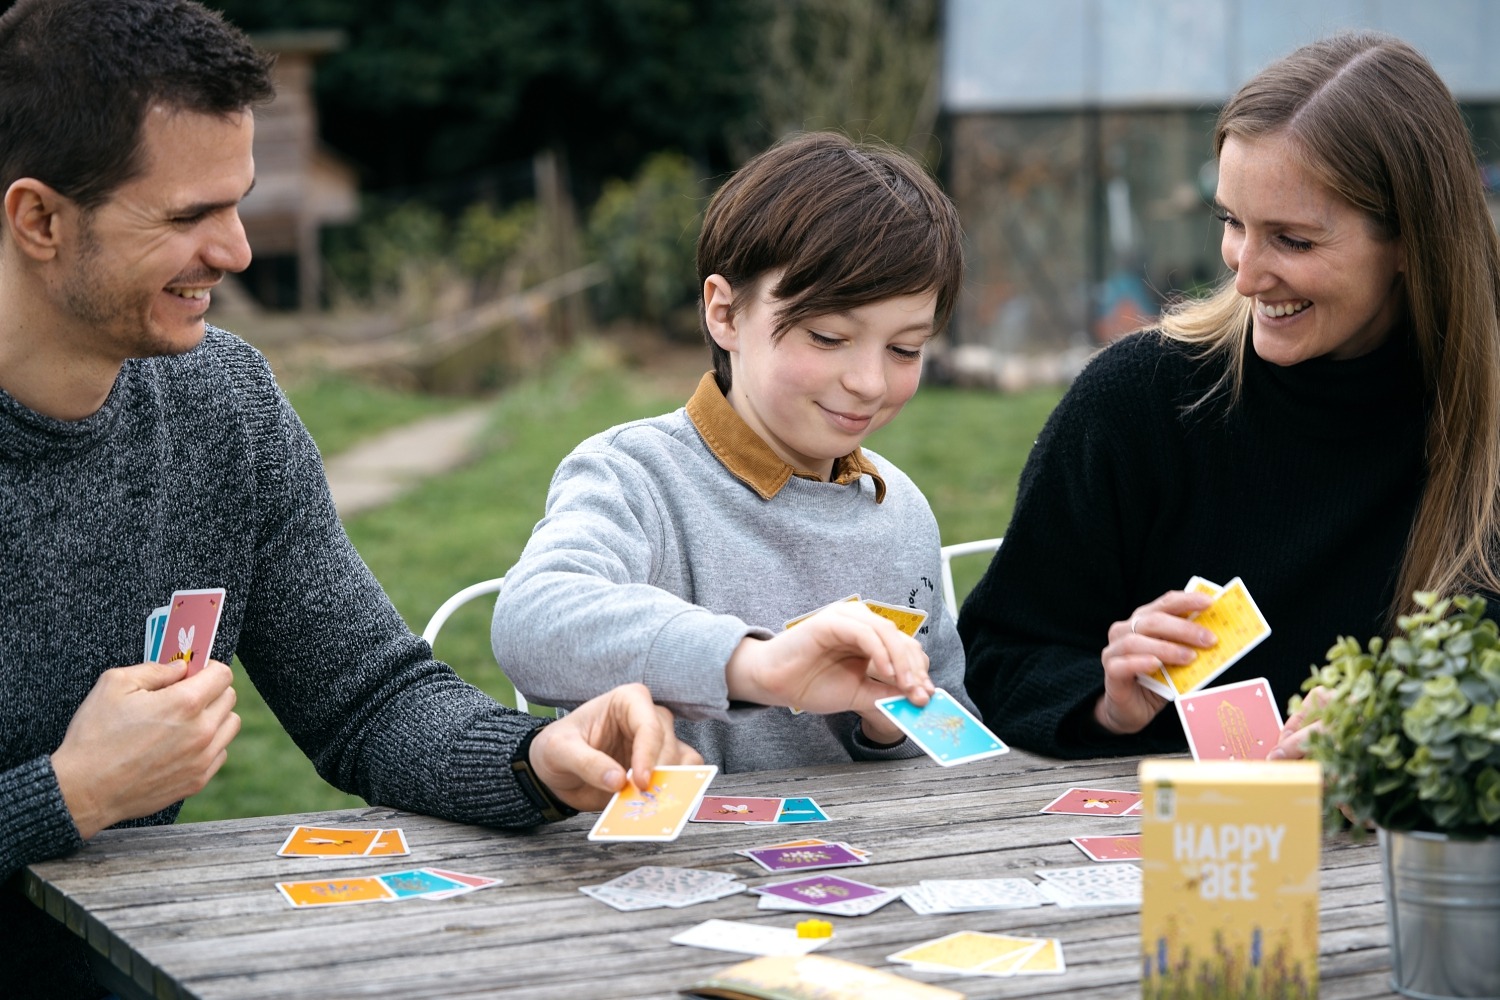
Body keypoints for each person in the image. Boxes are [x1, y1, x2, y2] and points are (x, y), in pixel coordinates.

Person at [0, 2, 698, 996]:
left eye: (236, 203)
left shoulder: (225, 404)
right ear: (39, 218)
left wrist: (538, 756)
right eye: (189, 216)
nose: (236, 251)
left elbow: (369, 696)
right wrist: (63, 795)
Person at [959, 31, 1500, 760]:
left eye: (1294, 241)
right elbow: (1002, 654)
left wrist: (1419, 728)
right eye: (1232, 223)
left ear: (1411, 240)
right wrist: (1106, 698)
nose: (1244, 276)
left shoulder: (1484, 417)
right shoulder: (1137, 401)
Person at [492, 132, 974, 771]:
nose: (870, 382)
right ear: (724, 314)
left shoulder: (901, 509)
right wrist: (755, 664)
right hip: (669, 862)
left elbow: (953, 730)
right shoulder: (633, 477)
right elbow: (533, 620)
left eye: (905, 349)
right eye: (828, 337)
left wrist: (888, 723)